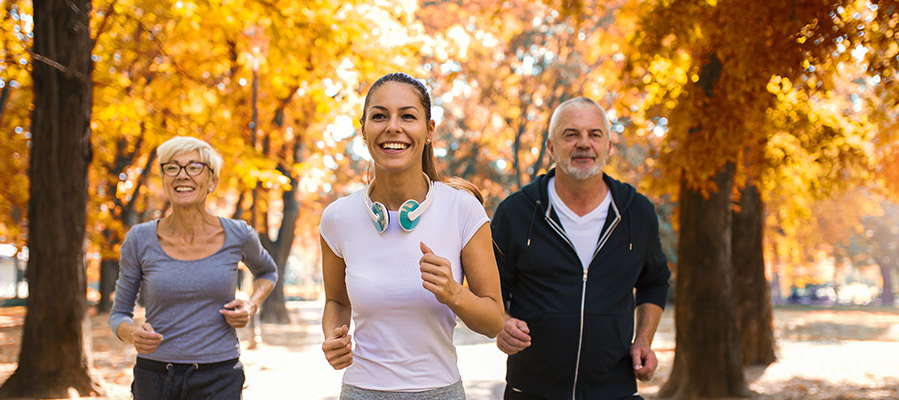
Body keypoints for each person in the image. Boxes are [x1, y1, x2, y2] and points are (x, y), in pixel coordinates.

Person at [318, 72, 505, 399]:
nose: (393, 127)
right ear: (363, 130)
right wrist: (333, 336)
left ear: (429, 130)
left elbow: (493, 321)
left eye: (407, 116)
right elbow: (336, 301)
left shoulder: (462, 210)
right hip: (361, 391)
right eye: (379, 116)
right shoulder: (338, 217)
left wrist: (453, 293)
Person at [490, 97, 672, 399]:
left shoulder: (636, 213)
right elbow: (491, 289)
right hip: (530, 390)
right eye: (571, 134)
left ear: (609, 147)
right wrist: (502, 324)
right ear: (551, 146)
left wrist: (643, 340)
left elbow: (654, 282)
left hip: (615, 390)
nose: (584, 144)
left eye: (594, 134)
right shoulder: (516, 212)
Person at [109, 136, 278, 399]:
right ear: (164, 178)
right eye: (172, 167)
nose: (182, 175)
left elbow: (268, 272)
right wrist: (132, 334)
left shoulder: (238, 234)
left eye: (194, 167)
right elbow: (118, 313)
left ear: (212, 181)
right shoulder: (139, 239)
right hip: (155, 378)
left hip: (219, 377)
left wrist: (251, 304)